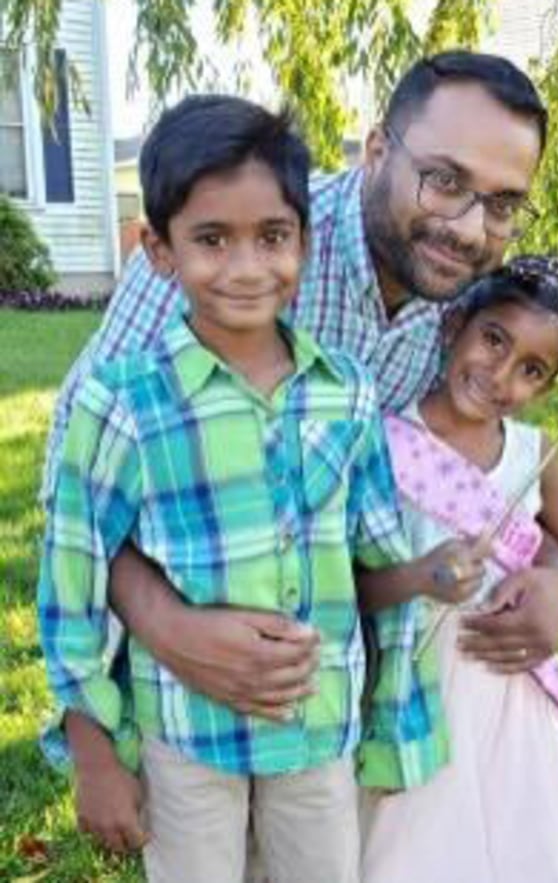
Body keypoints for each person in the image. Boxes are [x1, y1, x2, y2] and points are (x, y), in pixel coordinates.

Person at [42, 51, 558, 852]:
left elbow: (481, 472)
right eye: (444, 180)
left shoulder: (467, 309)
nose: (473, 228)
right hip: (190, 705)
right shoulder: (227, 238)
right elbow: (75, 481)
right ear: (376, 150)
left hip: (334, 710)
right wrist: (164, 622)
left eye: (504, 204)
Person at [38, 95, 444, 883]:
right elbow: (74, 573)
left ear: (303, 239)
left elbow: (381, 557)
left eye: (272, 237)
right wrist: (93, 750)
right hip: (189, 735)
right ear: (158, 251)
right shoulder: (123, 404)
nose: (248, 267)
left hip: (318, 730)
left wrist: (397, 720)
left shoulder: (346, 392)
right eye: (211, 239)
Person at [358, 255, 558, 883]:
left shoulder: (537, 457)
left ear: (546, 388)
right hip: (413, 695)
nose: (500, 375)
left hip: (511, 695)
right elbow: (345, 588)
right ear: (453, 327)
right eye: (492, 339)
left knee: (531, 849)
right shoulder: (381, 445)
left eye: (531, 369)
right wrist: (419, 577)